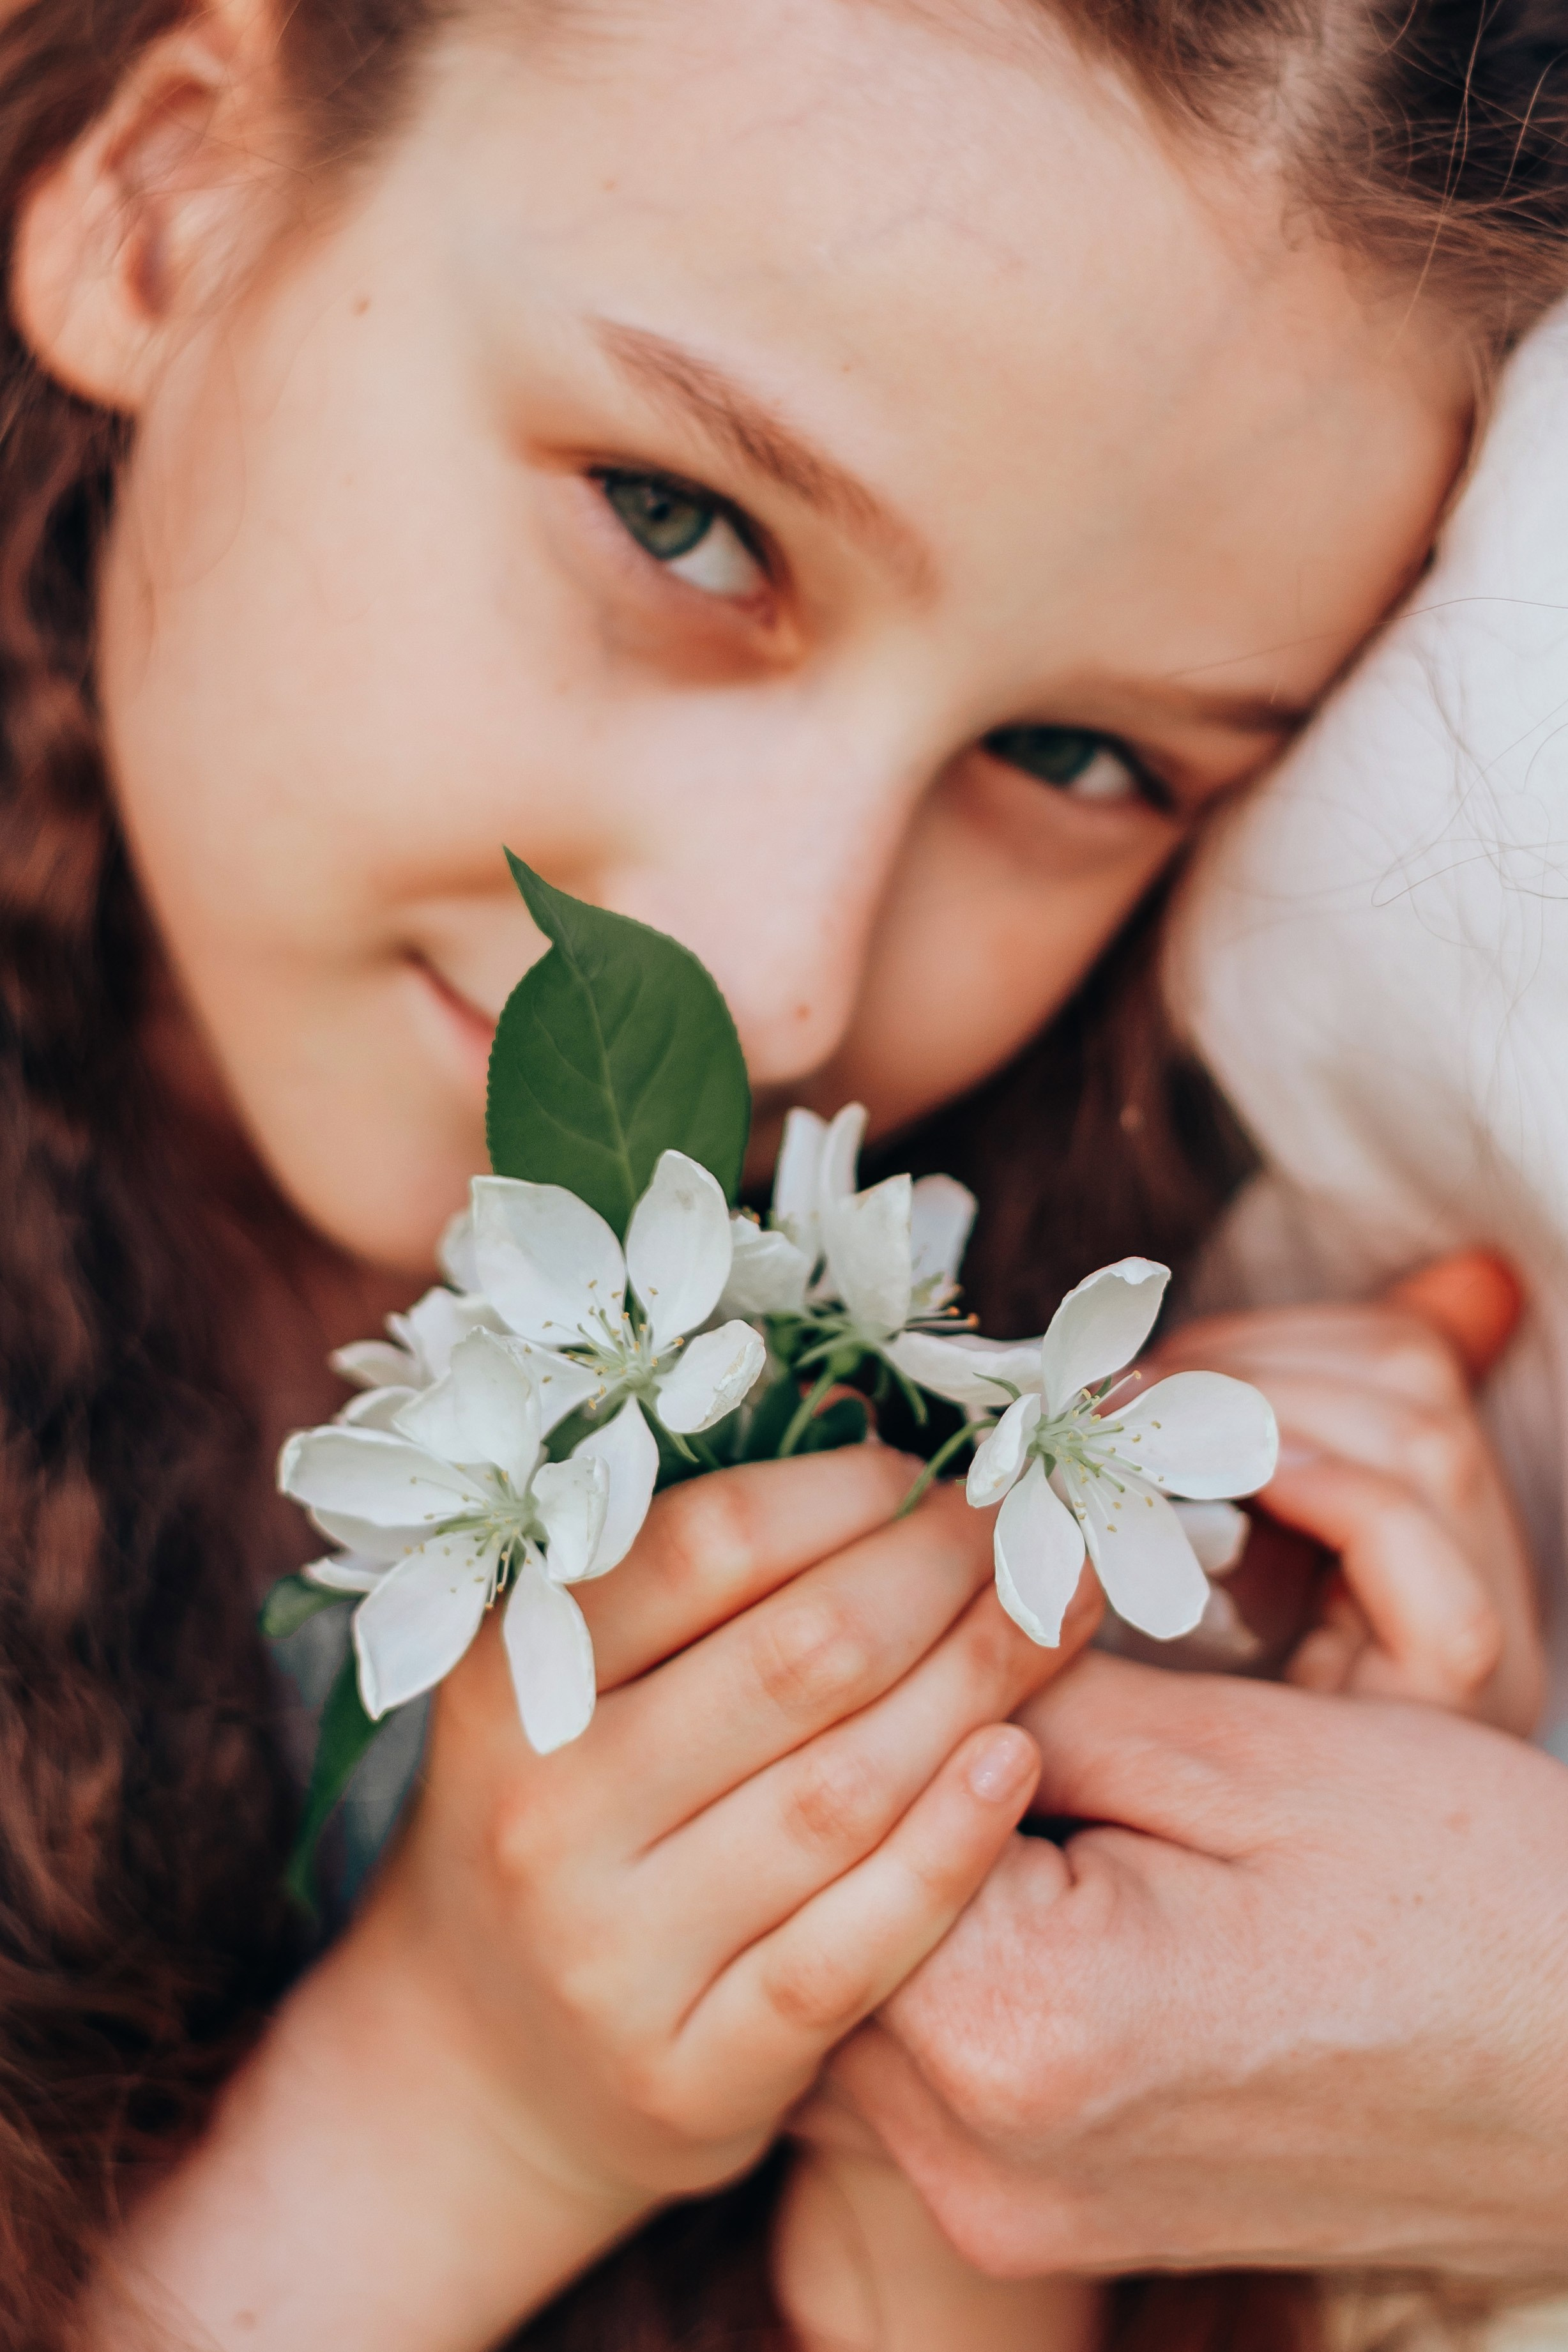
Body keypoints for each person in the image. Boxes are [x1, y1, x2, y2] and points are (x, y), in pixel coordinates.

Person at [0, 0, 1563, 2346]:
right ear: (165, 196)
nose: (784, 976)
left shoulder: (1032, 1363)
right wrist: (459, 2113)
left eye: (1077, 754)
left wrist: (1004, 2199)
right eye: (682, 517)